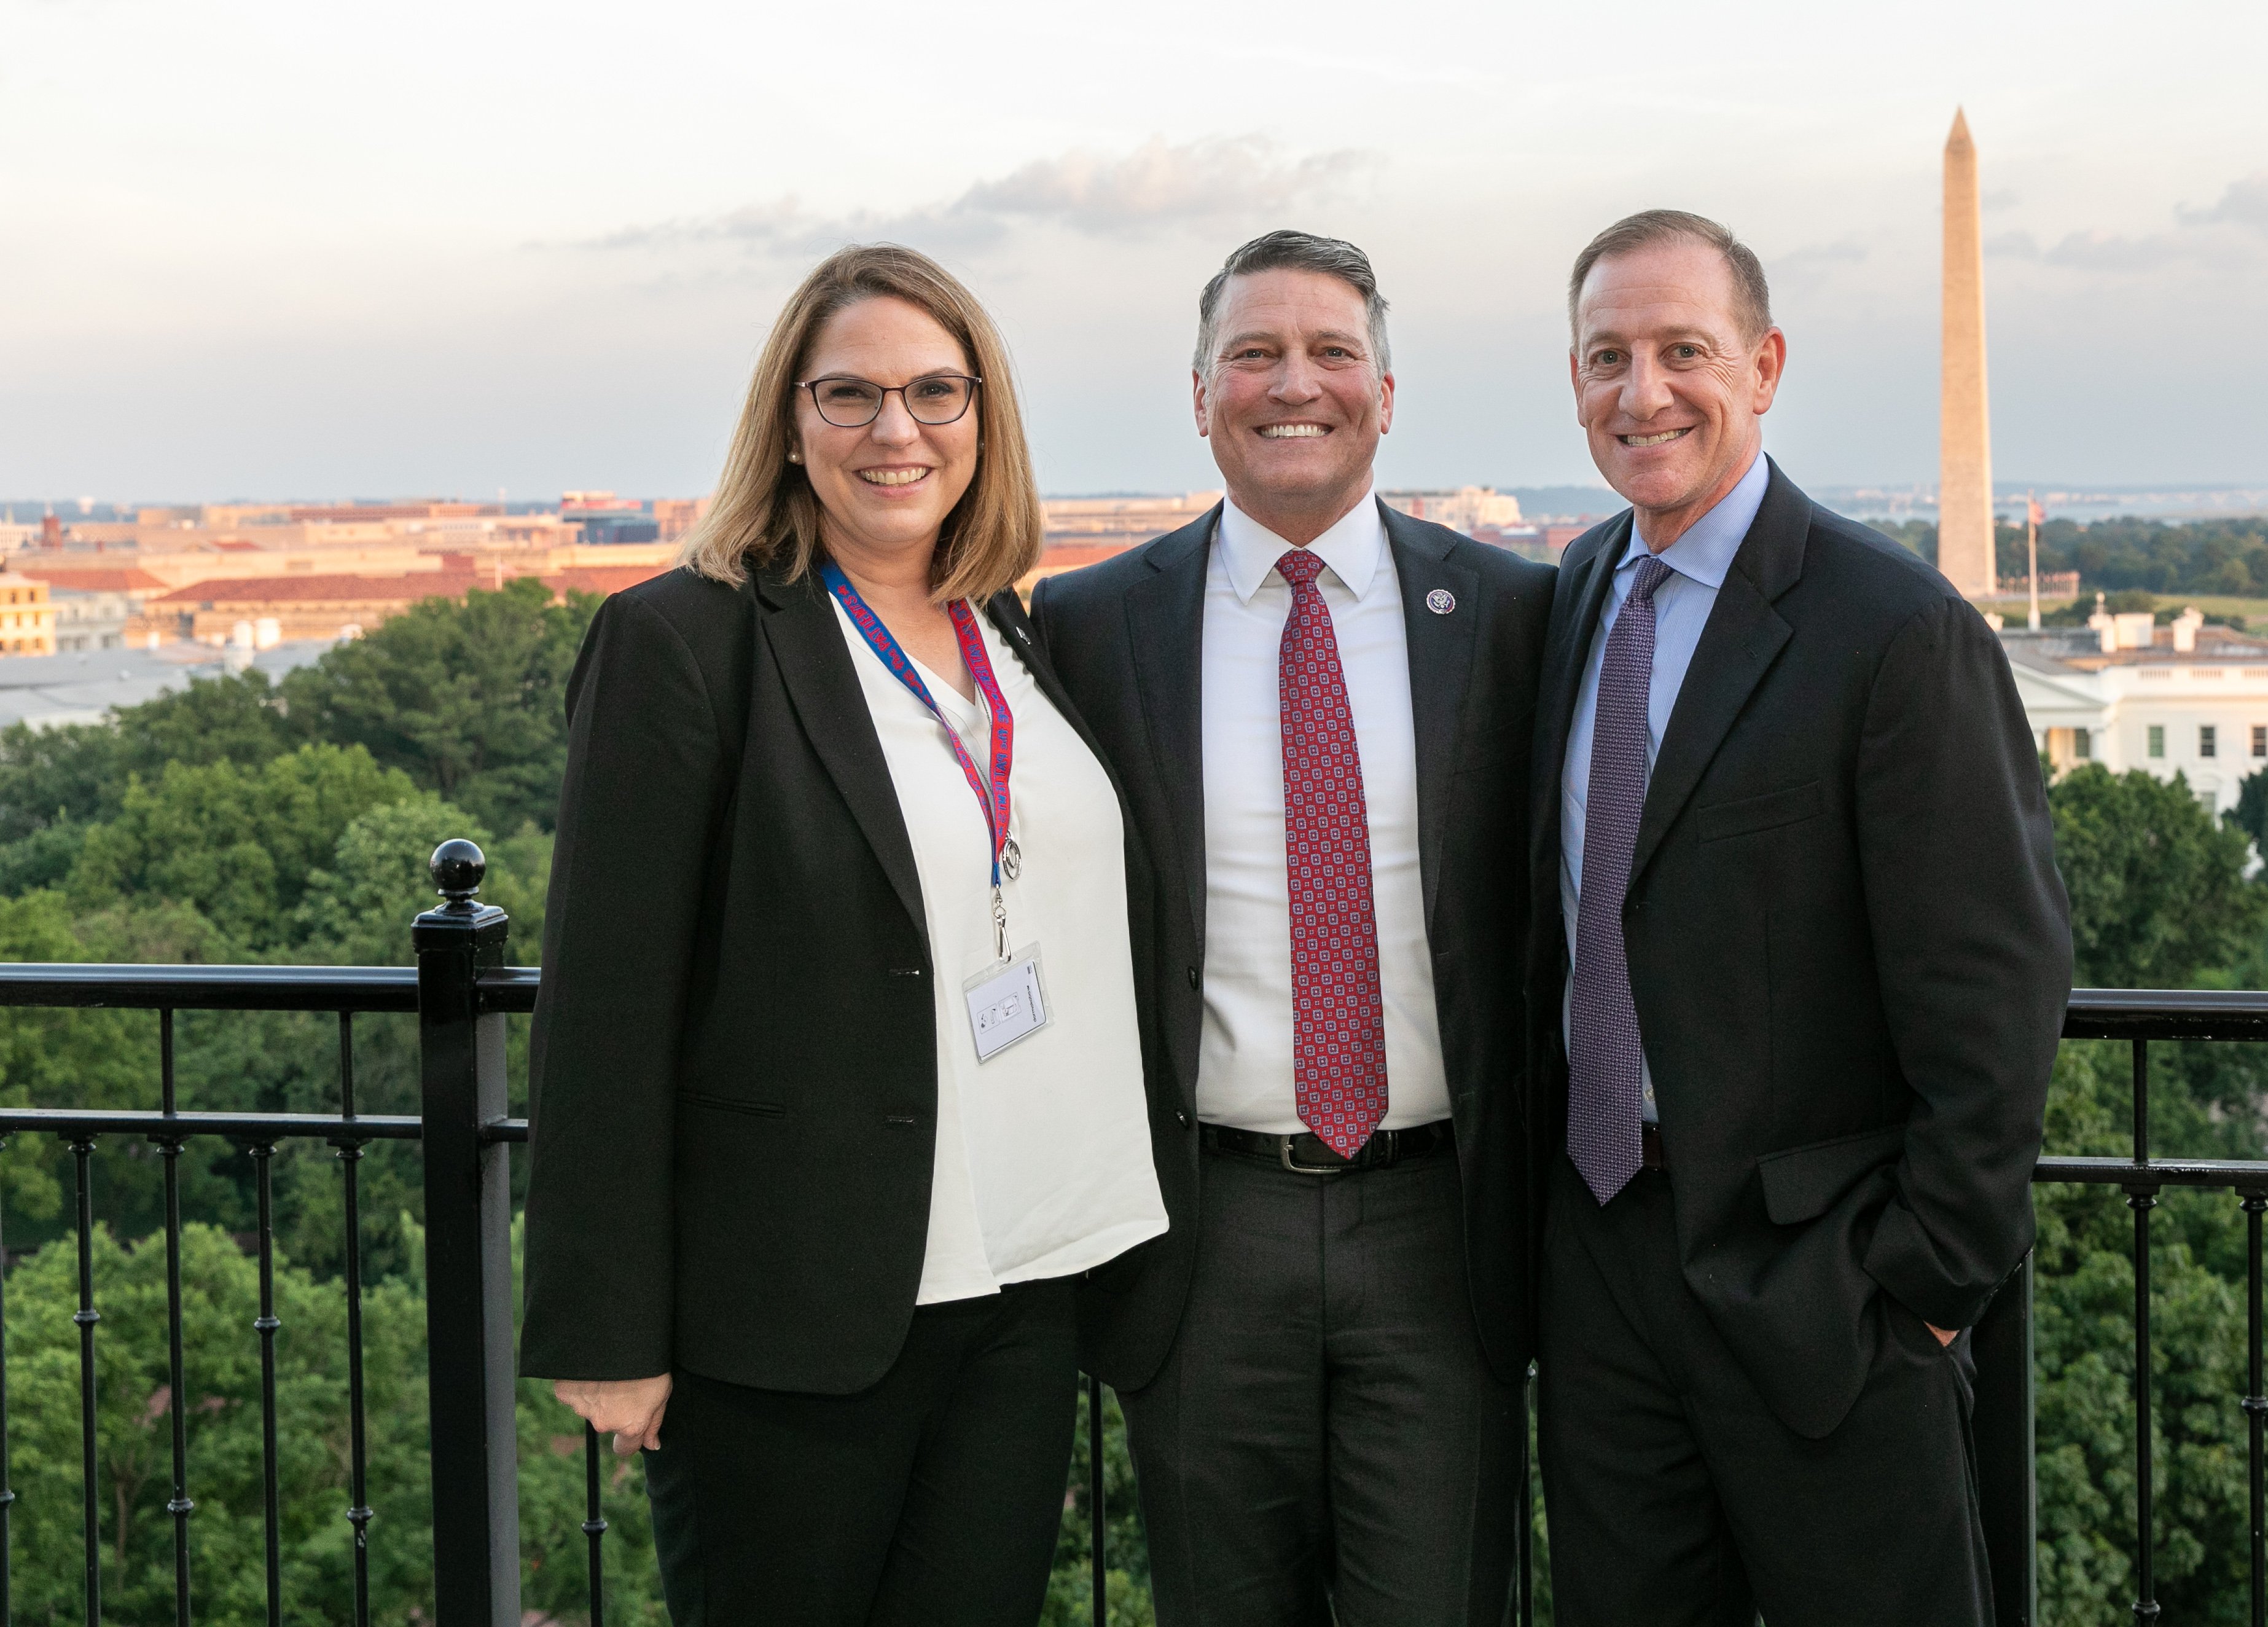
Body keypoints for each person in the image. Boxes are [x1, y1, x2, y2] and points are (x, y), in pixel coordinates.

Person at [519, 243, 1168, 1625]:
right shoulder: (685, 644)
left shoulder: (1009, 634)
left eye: (937, 391)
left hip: (1024, 1281)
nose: (898, 432)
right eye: (851, 396)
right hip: (797, 1309)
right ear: (789, 422)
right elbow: (604, 1006)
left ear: (985, 418)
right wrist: (608, 1331)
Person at [1530, 210, 2073, 1626]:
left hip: (1827, 1291)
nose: (1643, 393)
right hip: (1602, 1269)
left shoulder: (1894, 629)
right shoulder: (1578, 594)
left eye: (1683, 352)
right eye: (1608, 358)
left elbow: (1994, 993)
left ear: (1763, 367)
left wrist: (1927, 1291)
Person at [1032, 230, 1551, 1626]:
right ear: (1199, 394)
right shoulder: (1088, 626)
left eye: (1331, 353)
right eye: (1254, 354)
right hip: (1204, 1236)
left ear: (1389, 393)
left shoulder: (1510, 613)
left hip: (1442, 1232)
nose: (1293, 385)